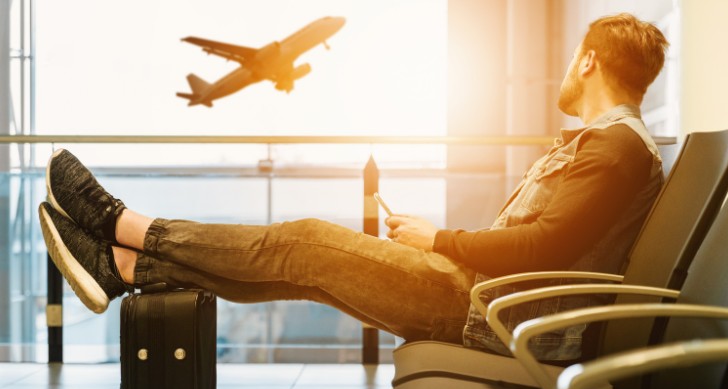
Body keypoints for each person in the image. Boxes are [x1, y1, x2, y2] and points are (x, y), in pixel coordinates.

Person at [39, 13, 668, 361]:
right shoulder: (609, 146)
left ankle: (121, 224)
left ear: (587, 60)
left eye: (570, 60)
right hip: (487, 303)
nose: (563, 71)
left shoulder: (614, 148)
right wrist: (440, 242)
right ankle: (124, 268)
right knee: (306, 270)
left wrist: (441, 238)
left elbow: (544, 249)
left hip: (489, 315)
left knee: (306, 242)